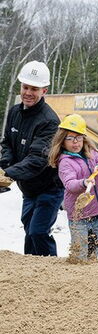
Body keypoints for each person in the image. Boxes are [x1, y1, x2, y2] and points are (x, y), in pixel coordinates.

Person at [0, 61, 63, 256]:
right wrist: (3, 166)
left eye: (34, 89)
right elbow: (8, 144)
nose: (28, 92)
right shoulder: (14, 112)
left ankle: (51, 271)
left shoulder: (50, 121)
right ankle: (31, 273)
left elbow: (38, 159)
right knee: (29, 232)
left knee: (38, 232)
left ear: (44, 90)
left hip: (49, 188)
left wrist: (8, 173)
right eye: (25, 87)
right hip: (28, 188)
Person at [49, 114, 98, 260]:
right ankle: (77, 277)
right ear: (62, 141)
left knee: (93, 251)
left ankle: (91, 278)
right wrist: (84, 183)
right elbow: (70, 185)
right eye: (70, 138)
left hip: (96, 211)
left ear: (84, 138)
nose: (75, 142)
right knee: (80, 252)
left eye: (78, 137)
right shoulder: (65, 162)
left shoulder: (91, 152)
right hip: (79, 215)